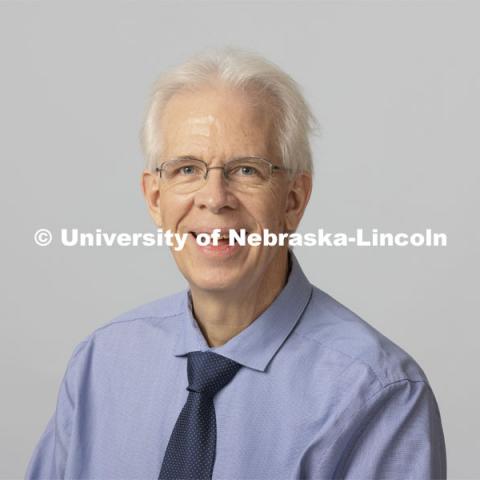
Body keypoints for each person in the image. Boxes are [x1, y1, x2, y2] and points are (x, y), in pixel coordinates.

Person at [26, 48, 446, 479]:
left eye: (246, 170)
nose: (214, 197)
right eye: (187, 168)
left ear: (294, 199)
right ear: (155, 198)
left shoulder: (378, 394)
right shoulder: (100, 364)